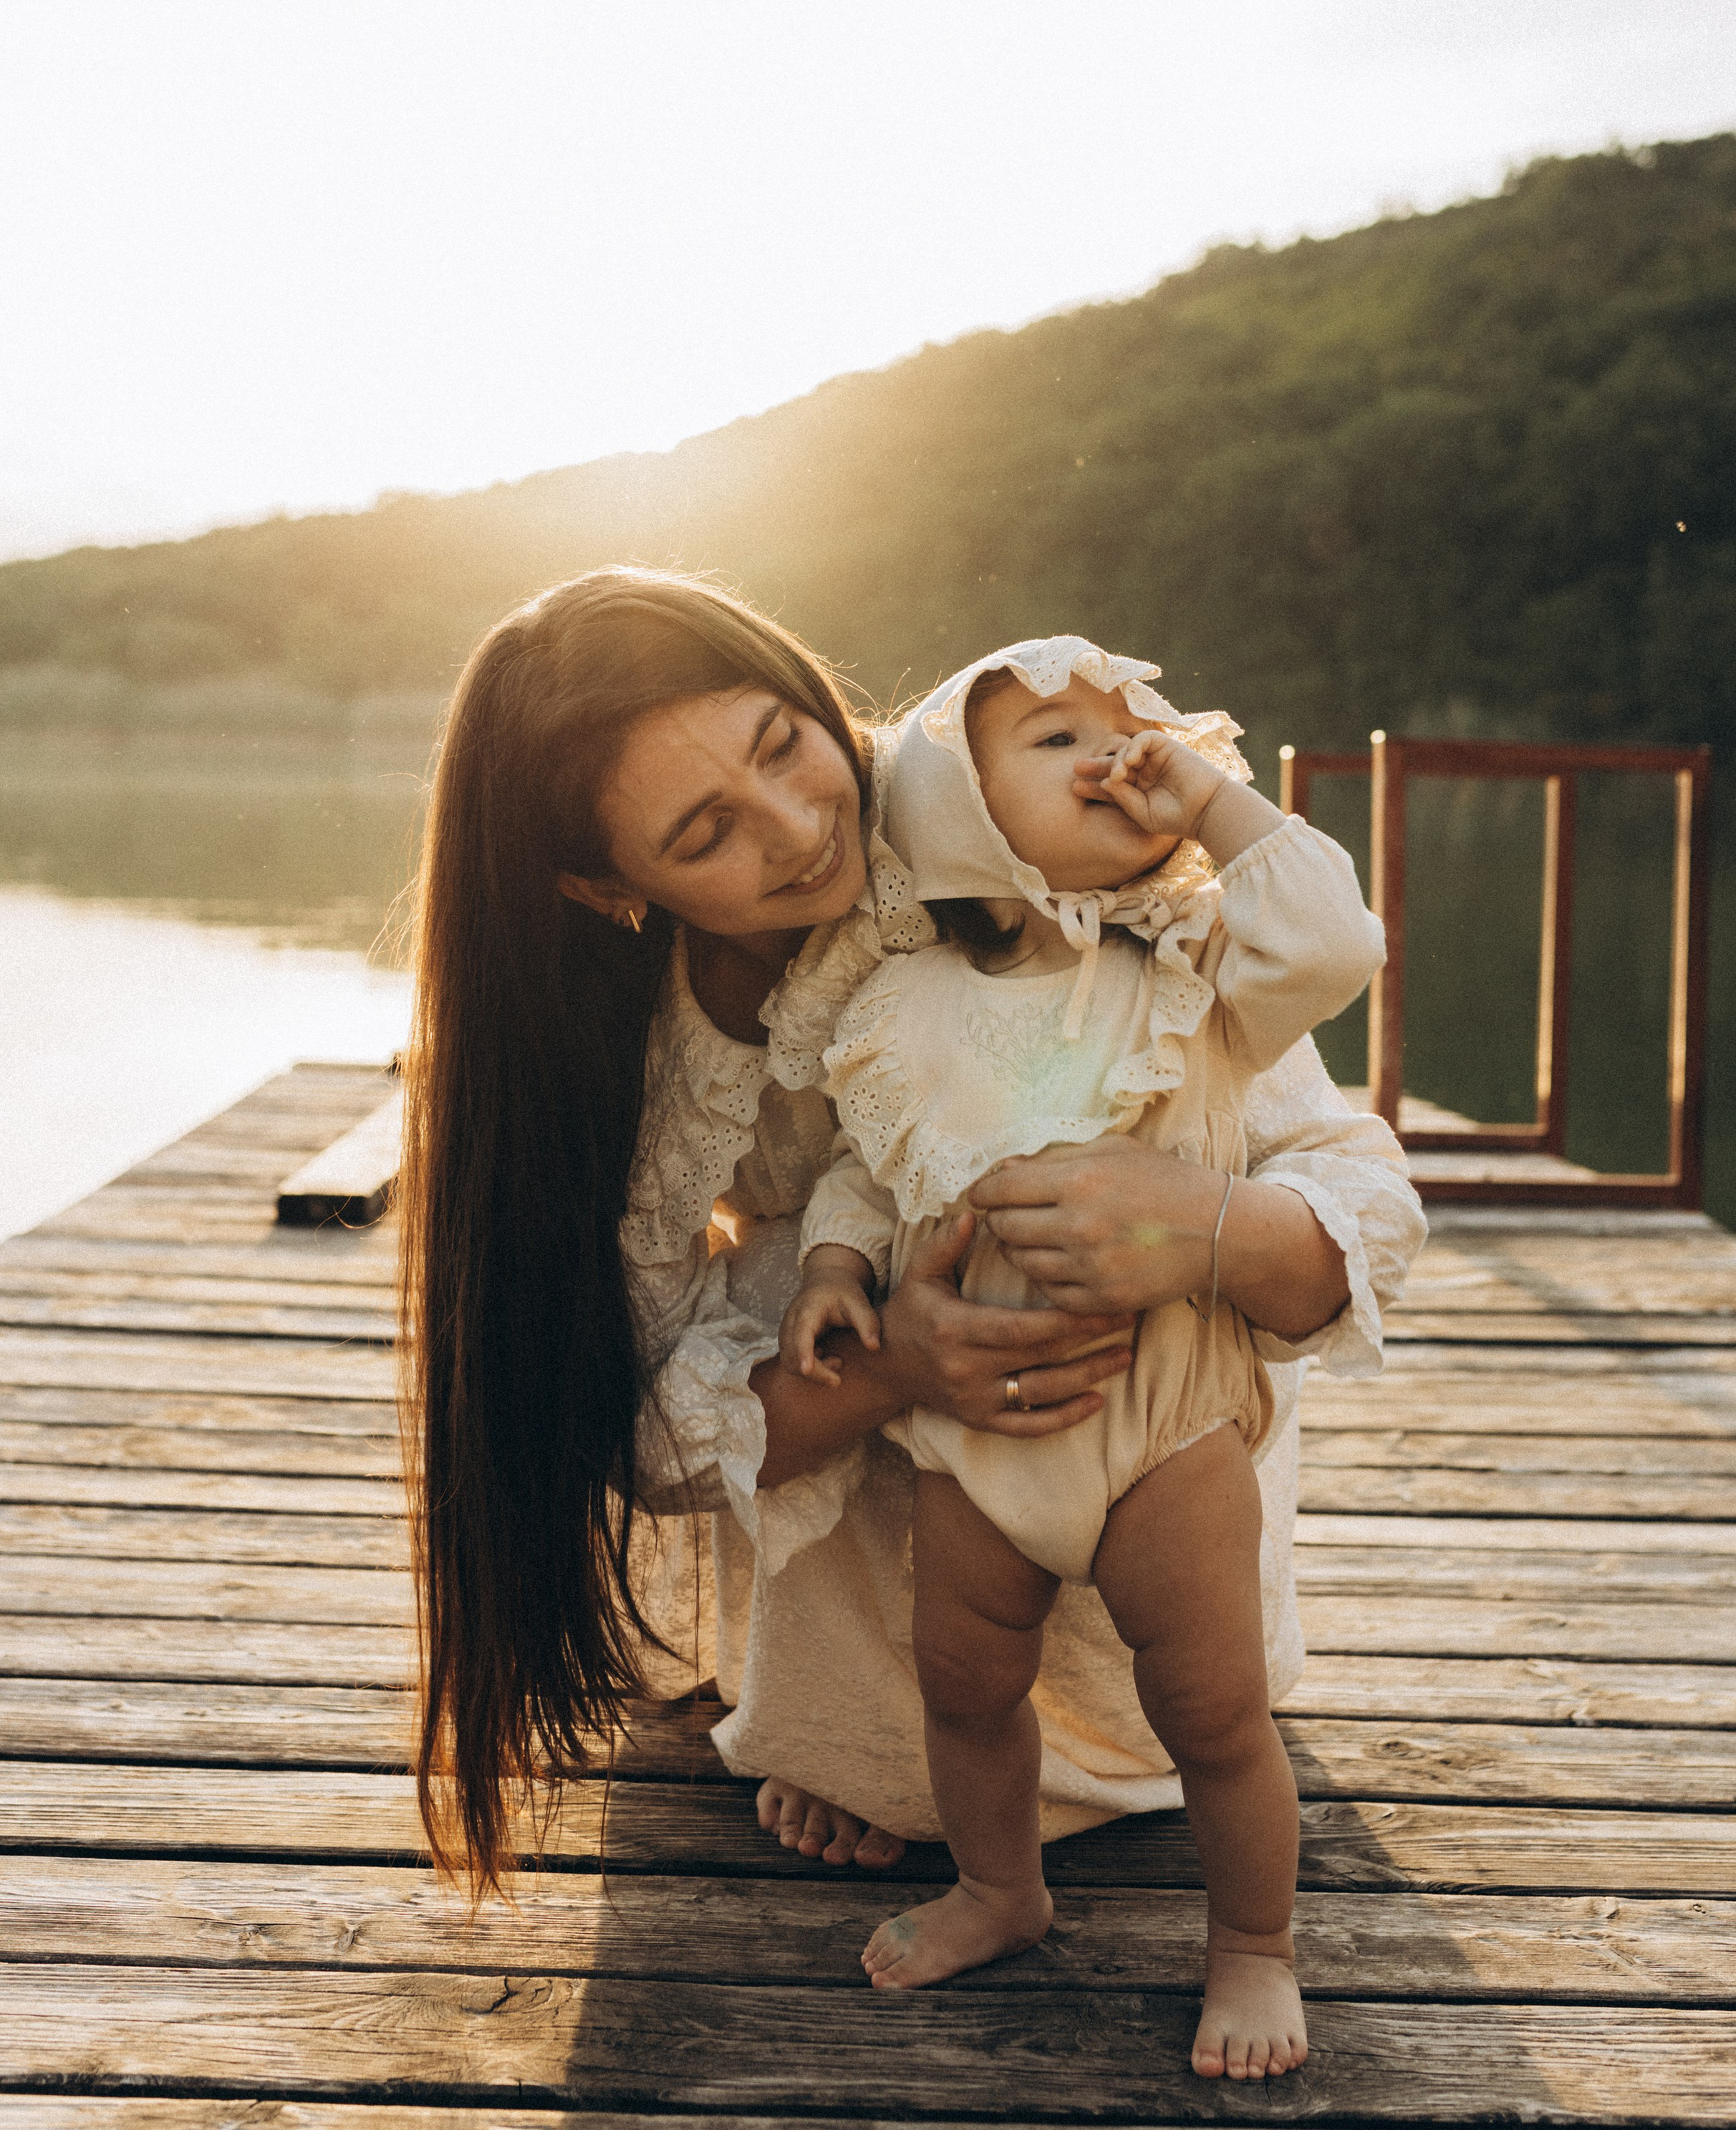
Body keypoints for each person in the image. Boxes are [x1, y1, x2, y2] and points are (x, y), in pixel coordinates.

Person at [398, 571, 1424, 2086]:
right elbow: (617, 1422)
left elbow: (1341, 1175)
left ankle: (1112, 1794)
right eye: (703, 835)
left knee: (1190, 1666)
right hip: (947, 1530)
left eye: (780, 741)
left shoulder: (1010, 833)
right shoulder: (629, 1042)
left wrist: (1188, 1225)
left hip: (1138, 1445)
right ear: (606, 890)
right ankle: (884, 1757)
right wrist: (893, 1357)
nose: (793, 822)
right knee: (798, 1318)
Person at [781, 640, 1384, 2074]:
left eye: (1145, 728)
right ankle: (1000, 1885)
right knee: (964, 1682)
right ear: (955, 806)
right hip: (973, 1433)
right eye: (1056, 736)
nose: (1121, 751)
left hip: (1161, 1413)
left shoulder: (1193, 970)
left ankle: (1251, 1945)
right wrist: (828, 1266)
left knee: (1212, 1707)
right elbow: (873, 1170)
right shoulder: (898, 1001)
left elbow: (1334, 939)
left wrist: (1217, 805)